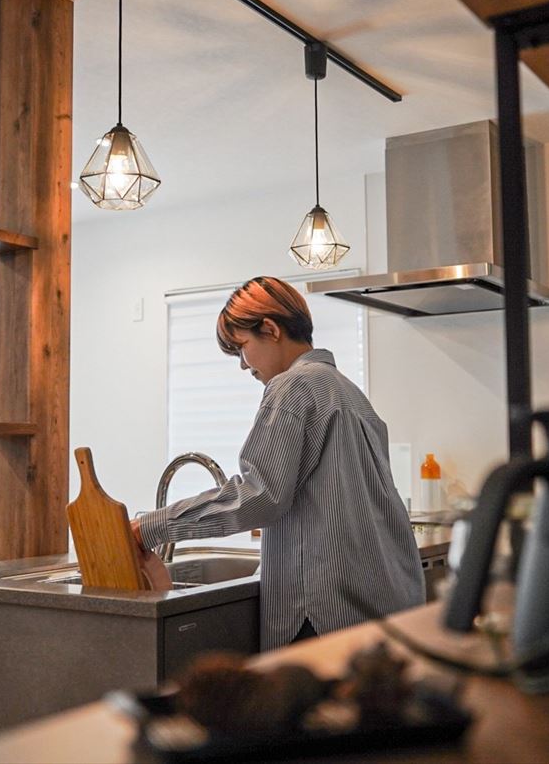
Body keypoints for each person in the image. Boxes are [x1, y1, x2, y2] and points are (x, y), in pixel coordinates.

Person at [133, 275, 424, 649]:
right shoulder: (349, 393)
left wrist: (152, 527)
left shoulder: (292, 387)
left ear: (270, 329)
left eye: (242, 347)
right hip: (383, 605)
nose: (243, 365)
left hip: (323, 613)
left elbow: (259, 496)